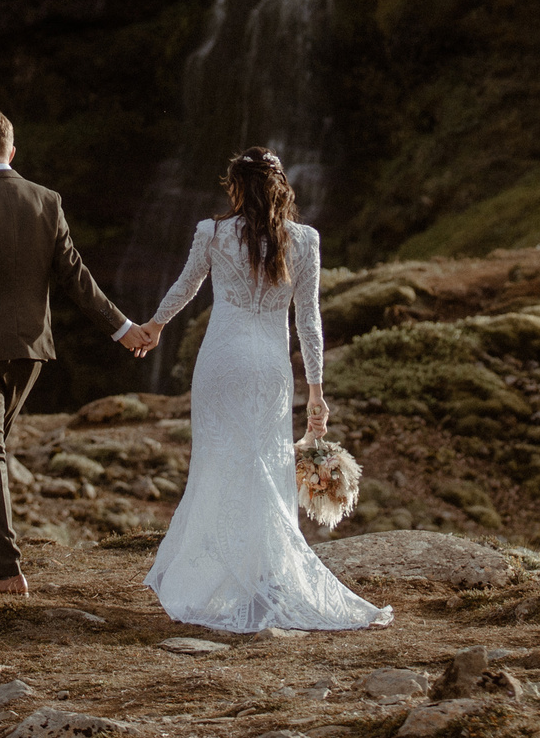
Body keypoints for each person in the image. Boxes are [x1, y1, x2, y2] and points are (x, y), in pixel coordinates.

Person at [123, 146, 391, 631]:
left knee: (218, 463)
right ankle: (266, 580)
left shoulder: (213, 233)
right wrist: (317, 391)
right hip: (270, 369)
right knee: (265, 465)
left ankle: (214, 581)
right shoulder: (304, 240)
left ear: (235, 188)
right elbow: (308, 322)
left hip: (221, 364)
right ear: (280, 189)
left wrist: (156, 324)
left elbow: (186, 286)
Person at [0, 110, 138, 596]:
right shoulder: (47, 201)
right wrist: (123, 327)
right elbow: (76, 277)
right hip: (30, 352)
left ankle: (6, 571)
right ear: (12, 150)